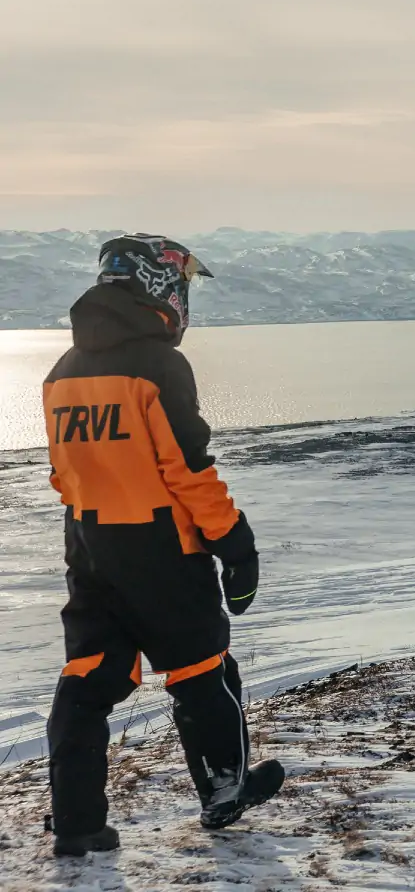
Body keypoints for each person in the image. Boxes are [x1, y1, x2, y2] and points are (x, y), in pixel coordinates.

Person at [42, 235, 282, 856]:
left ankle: (76, 823)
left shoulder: (60, 371)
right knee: (201, 666)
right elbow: (187, 469)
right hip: (160, 544)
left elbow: (62, 475)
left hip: (88, 539)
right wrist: (236, 543)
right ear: (159, 283)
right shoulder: (158, 365)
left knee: (88, 676)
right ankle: (225, 791)